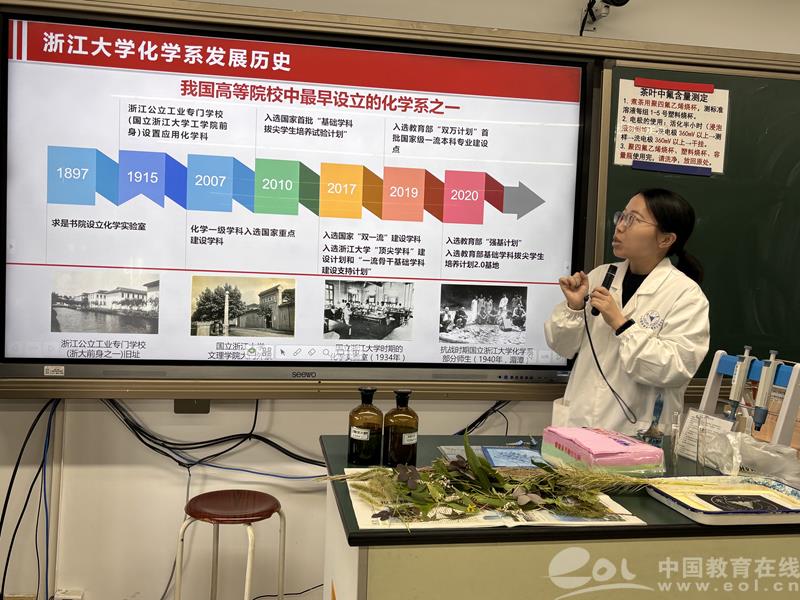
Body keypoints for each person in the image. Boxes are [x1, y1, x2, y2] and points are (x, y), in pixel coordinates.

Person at [544, 188, 710, 436]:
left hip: (635, 435)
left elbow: (675, 368)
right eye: (622, 216)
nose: (620, 226)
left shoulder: (685, 295)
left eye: (633, 219)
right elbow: (562, 346)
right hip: (579, 425)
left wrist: (621, 324)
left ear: (665, 240)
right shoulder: (601, 275)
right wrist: (574, 307)